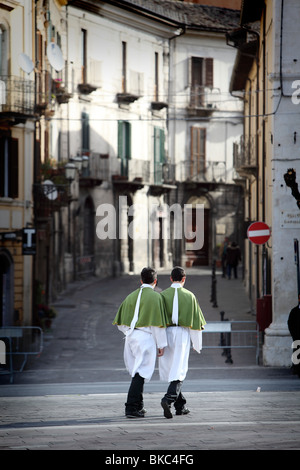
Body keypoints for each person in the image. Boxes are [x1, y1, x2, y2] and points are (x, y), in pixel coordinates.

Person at [113, 267, 168, 418]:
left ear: (141, 280)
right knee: (141, 372)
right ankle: (130, 407)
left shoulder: (130, 296)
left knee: (137, 372)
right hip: (146, 337)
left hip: (131, 337)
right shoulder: (156, 297)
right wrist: (161, 344)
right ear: (155, 281)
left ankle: (139, 405)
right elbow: (158, 324)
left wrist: (130, 332)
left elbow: (120, 323)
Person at [158, 266, 206, 419]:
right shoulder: (190, 296)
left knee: (173, 367)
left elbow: (157, 320)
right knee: (179, 369)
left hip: (166, 333)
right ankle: (168, 398)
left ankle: (180, 406)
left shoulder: (162, 295)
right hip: (182, 334)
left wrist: (159, 342)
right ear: (184, 279)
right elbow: (197, 322)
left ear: (171, 278)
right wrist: (196, 344)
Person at [287, 293, 300, 378]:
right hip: (297, 337)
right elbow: (290, 324)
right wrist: (294, 335)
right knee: (297, 354)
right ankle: (296, 369)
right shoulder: (294, 311)